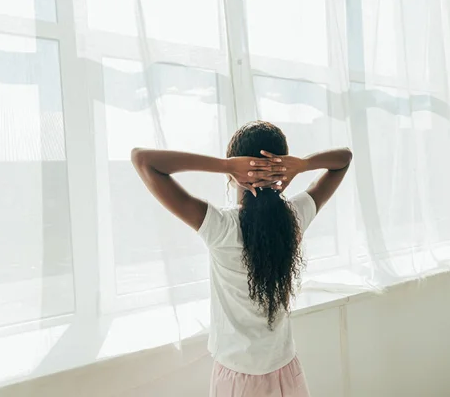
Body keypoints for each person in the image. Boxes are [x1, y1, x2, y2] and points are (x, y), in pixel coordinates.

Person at [131, 121, 352, 397]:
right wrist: (303, 164)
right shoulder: (294, 217)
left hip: (239, 379)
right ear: (282, 168)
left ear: (235, 173)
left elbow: (143, 160)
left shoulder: (221, 227)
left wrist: (225, 166)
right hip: (287, 369)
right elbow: (344, 159)